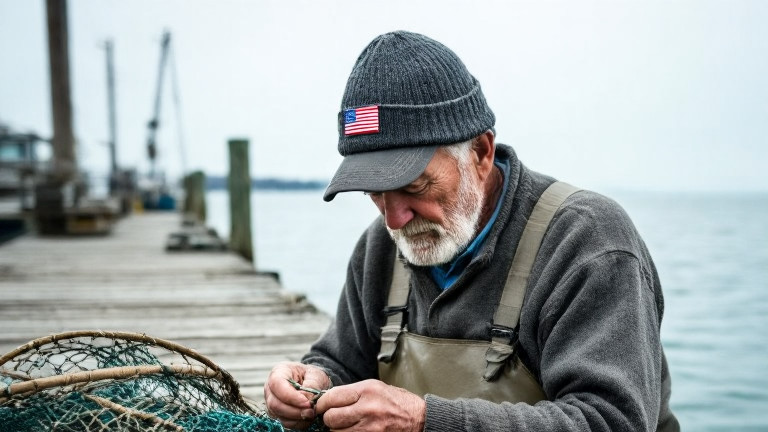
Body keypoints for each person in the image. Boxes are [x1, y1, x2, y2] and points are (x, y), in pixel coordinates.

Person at [264, 30, 679, 432]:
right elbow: (343, 361)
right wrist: (313, 382)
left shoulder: (588, 242)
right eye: (375, 193)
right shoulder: (380, 247)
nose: (394, 219)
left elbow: (611, 421)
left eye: (414, 187)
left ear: (481, 152)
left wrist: (425, 422)